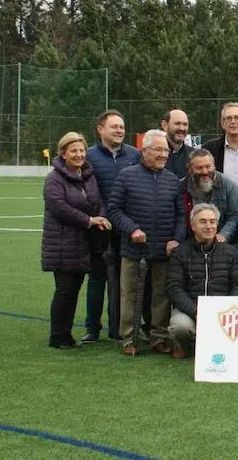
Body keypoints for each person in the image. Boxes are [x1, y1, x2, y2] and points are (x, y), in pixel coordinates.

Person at [107, 129, 186, 356]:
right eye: (158, 150)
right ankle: (129, 338)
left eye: (166, 150)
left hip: (164, 250)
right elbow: (113, 209)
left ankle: (159, 338)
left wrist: (176, 239)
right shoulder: (127, 175)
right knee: (130, 294)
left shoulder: (172, 180)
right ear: (145, 151)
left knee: (161, 296)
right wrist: (132, 229)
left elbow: (181, 215)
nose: (163, 154)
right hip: (133, 250)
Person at [42, 132, 109, 348]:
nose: (79, 154)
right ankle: (57, 335)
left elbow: (97, 200)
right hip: (62, 243)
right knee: (64, 290)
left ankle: (66, 335)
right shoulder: (54, 178)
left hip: (83, 244)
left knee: (74, 290)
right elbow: (59, 208)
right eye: (73, 151)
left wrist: (101, 216)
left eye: (81, 150)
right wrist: (89, 220)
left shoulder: (88, 175)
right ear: (63, 153)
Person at [83, 110, 140, 343]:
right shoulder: (89, 157)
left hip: (126, 230)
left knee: (123, 283)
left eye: (122, 127)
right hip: (100, 229)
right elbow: (87, 192)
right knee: (97, 280)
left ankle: (117, 328)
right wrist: (103, 216)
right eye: (114, 126)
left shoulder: (134, 155)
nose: (119, 131)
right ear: (100, 129)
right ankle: (92, 329)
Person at [166, 204, 238, 358]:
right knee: (180, 327)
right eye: (203, 221)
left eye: (212, 221)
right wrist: (195, 311)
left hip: (224, 310)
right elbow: (174, 287)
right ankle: (189, 347)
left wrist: (226, 309)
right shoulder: (181, 252)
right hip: (191, 309)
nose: (209, 226)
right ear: (193, 226)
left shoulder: (230, 252)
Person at [180, 148, 238, 242]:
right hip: (189, 241)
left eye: (208, 166)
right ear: (189, 169)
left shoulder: (228, 185)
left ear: (214, 166)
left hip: (221, 243)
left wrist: (223, 235)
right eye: (199, 168)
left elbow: (235, 214)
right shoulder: (181, 187)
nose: (205, 172)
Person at [161, 109, 192, 178]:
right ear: (165, 125)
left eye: (185, 124)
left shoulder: (194, 155)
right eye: (177, 123)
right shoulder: (153, 155)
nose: (182, 128)